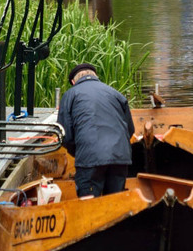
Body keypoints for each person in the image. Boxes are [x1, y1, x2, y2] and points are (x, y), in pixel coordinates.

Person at [57, 63, 135, 197]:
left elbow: (65, 134)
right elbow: (130, 129)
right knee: (116, 203)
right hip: (120, 157)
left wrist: (79, 152)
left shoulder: (70, 95)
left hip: (89, 158)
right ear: (96, 76)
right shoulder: (115, 93)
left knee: (90, 206)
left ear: (73, 81)